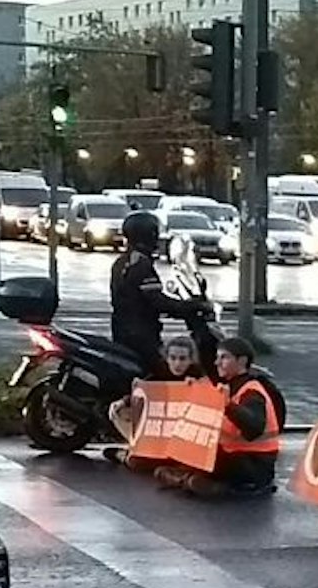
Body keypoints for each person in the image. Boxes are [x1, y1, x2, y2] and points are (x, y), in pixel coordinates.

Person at [156, 337, 285, 499]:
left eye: (224, 357)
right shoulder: (230, 386)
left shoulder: (252, 391)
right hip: (237, 457)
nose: (217, 363)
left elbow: (254, 428)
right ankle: (190, 479)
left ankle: (205, 484)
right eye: (217, 357)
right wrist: (194, 389)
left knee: (209, 458)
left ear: (242, 361)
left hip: (254, 464)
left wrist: (228, 405)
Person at [109, 210, 214, 378]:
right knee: (166, 371)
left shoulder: (123, 261)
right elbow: (158, 301)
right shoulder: (140, 264)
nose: (157, 238)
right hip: (140, 334)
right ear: (147, 235)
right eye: (155, 233)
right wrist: (194, 305)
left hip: (125, 330)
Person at [106, 334, 201, 468]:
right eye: (173, 358)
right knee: (119, 411)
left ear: (191, 360)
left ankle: (124, 455)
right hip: (160, 429)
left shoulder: (198, 375)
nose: (177, 364)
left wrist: (198, 388)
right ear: (166, 358)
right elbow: (143, 390)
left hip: (183, 433)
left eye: (182, 359)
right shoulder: (160, 371)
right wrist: (122, 401)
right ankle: (138, 447)